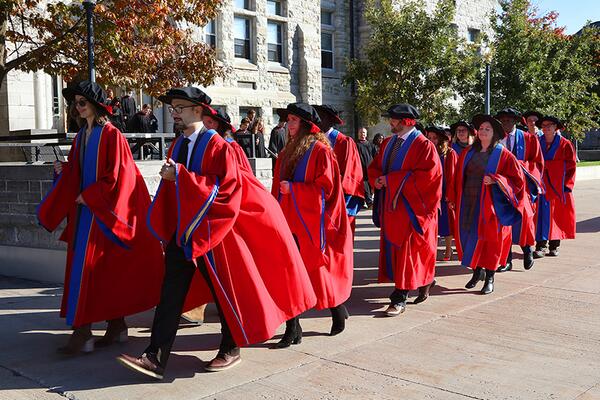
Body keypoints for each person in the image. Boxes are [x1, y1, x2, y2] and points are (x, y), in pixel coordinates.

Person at [117, 87, 316, 379]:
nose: (174, 113)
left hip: (214, 233)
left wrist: (182, 177)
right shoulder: (178, 146)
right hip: (183, 233)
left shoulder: (219, 147)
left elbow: (228, 192)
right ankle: (155, 357)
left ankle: (230, 347)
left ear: (199, 111)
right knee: (170, 294)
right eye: (173, 108)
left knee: (224, 295)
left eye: (180, 108)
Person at [37, 80, 164, 355]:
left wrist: (91, 196)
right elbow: (82, 170)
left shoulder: (111, 134)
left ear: (95, 105)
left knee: (92, 272)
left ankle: (84, 334)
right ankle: (116, 326)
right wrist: (65, 168)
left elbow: (119, 175)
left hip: (102, 214)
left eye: (82, 102)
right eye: (76, 103)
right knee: (99, 273)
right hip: (87, 213)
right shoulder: (84, 134)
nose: (78, 107)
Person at [272, 103, 353, 346]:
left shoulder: (321, 151)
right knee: (289, 275)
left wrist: (295, 190)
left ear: (307, 125)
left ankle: (337, 309)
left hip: (312, 223)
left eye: (294, 120)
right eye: (289, 120)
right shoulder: (287, 150)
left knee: (317, 276)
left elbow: (328, 189)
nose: (289, 124)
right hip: (289, 220)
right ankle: (292, 328)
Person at [368, 104, 442, 315]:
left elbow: (428, 178)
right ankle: (426, 280)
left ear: (407, 122)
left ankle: (400, 297)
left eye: (394, 120)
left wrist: (390, 180)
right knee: (401, 254)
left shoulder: (424, 145)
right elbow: (375, 167)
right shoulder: (389, 143)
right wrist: (378, 180)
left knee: (409, 253)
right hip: (392, 208)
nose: (390, 122)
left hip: (412, 209)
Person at [450, 114, 526, 295]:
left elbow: (518, 182)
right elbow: (457, 178)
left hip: (490, 206)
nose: (483, 131)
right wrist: (452, 198)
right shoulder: (468, 153)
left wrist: (496, 180)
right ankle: (477, 272)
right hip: (468, 202)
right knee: (471, 238)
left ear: (494, 134)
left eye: (487, 129)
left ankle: (490, 277)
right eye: (481, 129)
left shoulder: (504, 155)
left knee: (490, 241)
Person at [495, 108, 544, 272]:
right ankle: (506, 260)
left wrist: (521, 167)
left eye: (509, 120)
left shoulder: (528, 139)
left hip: (522, 186)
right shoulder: (495, 140)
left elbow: (537, 163)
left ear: (516, 121)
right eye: (503, 120)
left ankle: (527, 249)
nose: (506, 123)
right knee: (504, 222)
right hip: (502, 186)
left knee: (525, 220)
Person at [313, 104, 365, 235]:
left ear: (330, 120)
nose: (315, 120)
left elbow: (351, 177)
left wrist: (335, 201)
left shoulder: (344, 142)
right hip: (316, 201)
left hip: (338, 202)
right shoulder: (311, 141)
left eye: (319, 117)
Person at [533, 116, 576, 258]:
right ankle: (540, 246)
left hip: (557, 186)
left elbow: (571, 166)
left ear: (556, 127)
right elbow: (532, 162)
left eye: (549, 125)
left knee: (555, 216)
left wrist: (567, 185)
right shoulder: (537, 143)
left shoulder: (565, 144)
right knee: (540, 216)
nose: (546, 128)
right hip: (541, 185)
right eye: (544, 126)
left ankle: (554, 246)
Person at [425, 126, 458, 261]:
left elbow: (452, 176)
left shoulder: (449, 153)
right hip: (430, 192)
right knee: (431, 224)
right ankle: (431, 249)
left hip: (444, 192)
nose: (432, 140)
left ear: (440, 139)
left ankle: (448, 249)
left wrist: (450, 196)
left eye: (434, 138)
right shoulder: (426, 152)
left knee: (446, 223)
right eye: (430, 137)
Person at [356, 127, 375, 208]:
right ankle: (369, 202)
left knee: (370, 185)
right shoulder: (355, 145)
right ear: (358, 134)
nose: (362, 134)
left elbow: (375, 156)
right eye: (360, 132)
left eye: (363, 133)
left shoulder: (371, 145)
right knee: (364, 185)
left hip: (370, 169)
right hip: (361, 169)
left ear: (366, 134)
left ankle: (366, 200)